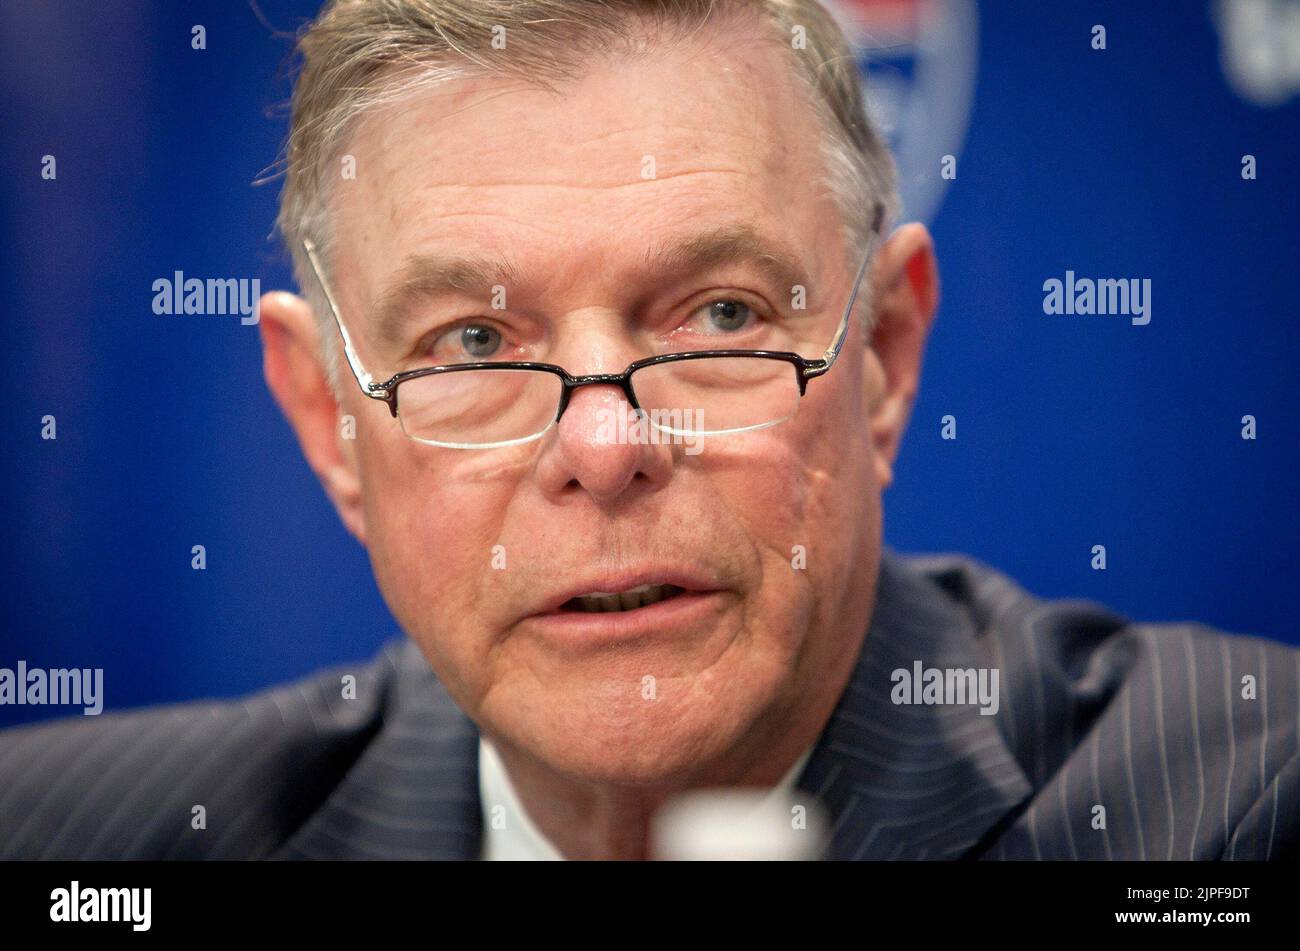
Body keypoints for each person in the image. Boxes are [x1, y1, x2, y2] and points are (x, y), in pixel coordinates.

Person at [2, 0, 1295, 861]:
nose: (608, 444)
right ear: (331, 422)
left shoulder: (1235, 813)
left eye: (721, 313)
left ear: (888, 357)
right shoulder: (74, 847)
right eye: (472, 344)